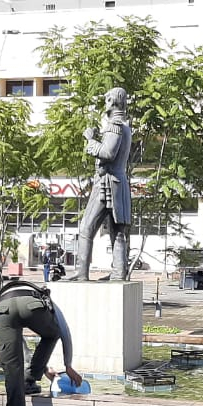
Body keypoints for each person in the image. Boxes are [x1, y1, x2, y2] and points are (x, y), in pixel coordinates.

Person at [0, 278, 83, 406]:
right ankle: (29, 380)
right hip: (32, 305)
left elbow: (17, 345)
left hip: (3, 308)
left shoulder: (4, 299)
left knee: (12, 367)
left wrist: (43, 367)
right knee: (52, 334)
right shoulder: (46, 300)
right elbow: (64, 331)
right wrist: (68, 365)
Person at [72, 86, 133, 281]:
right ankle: (118, 273)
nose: (105, 104)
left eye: (107, 100)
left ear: (114, 102)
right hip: (118, 182)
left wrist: (90, 140)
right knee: (118, 232)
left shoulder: (114, 126)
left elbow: (108, 153)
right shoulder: (125, 127)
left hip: (106, 182)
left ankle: (81, 273)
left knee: (86, 228)